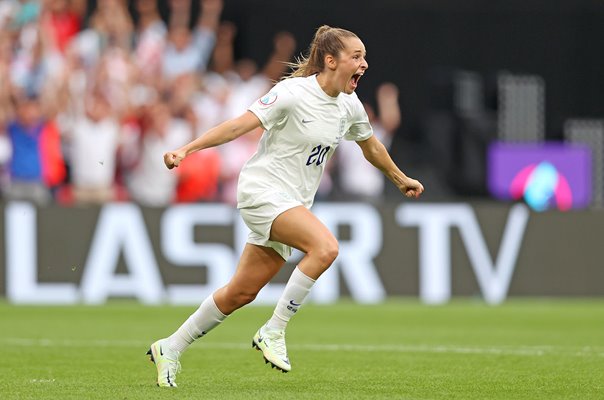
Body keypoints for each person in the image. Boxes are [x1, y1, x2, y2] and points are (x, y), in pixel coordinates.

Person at [148, 25, 424, 387]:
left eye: (364, 57)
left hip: (292, 201)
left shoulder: (349, 105)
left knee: (241, 293)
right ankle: (273, 331)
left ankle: (171, 346)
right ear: (330, 60)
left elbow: (370, 145)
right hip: (263, 190)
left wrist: (399, 178)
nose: (365, 64)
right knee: (325, 248)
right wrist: (187, 149)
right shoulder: (292, 93)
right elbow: (238, 126)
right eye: (356, 56)